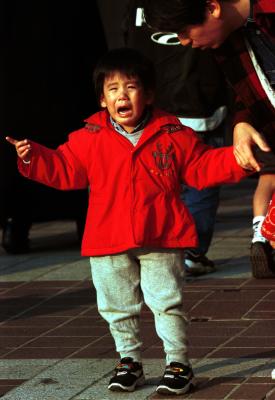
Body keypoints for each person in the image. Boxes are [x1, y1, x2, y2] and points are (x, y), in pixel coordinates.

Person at [6, 47, 249, 395]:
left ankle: (178, 364)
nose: (122, 94)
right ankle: (129, 362)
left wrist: (238, 160)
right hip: (108, 238)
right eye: (113, 88)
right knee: (116, 305)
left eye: (131, 87)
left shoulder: (173, 134)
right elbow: (64, 169)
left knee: (167, 301)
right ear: (103, 100)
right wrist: (34, 158)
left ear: (148, 94)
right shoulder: (87, 138)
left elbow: (201, 168)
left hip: (162, 234)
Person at [142, 0, 275, 279]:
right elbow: (246, 92)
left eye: (184, 31)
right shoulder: (224, 43)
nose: (184, 43)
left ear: (212, 8)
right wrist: (242, 124)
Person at [99, 0, 232, 276]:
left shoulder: (140, 5)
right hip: (199, 102)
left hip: (152, 107)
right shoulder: (200, 8)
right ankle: (191, 250)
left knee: (156, 181)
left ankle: (156, 246)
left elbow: (127, 41)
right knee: (201, 181)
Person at [0, 2, 107, 254]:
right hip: (49, 81)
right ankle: (20, 222)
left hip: (52, 81)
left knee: (70, 147)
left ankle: (20, 223)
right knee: (26, 149)